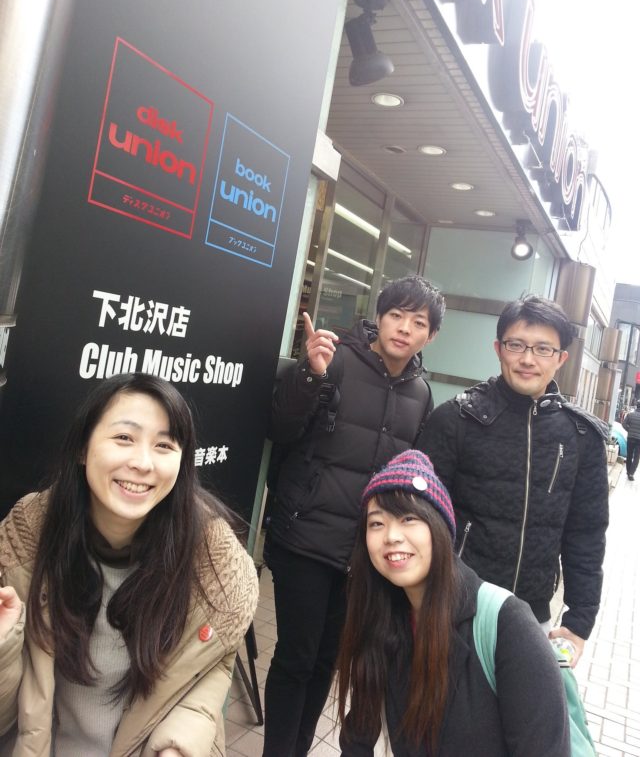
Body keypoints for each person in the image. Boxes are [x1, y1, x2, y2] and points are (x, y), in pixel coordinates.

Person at [0, 372, 259, 757]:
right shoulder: (26, 545)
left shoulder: (214, 569)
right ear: (83, 448)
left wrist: (178, 747)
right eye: (124, 437)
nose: (142, 463)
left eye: (164, 445)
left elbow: (206, 679)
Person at [262, 275, 445, 757]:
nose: (404, 328)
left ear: (430, 335)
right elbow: (280, 427)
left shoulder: (421, 394)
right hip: (305, 536)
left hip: (364, 553)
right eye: (396, 315)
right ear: (378, 318)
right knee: (296, 657)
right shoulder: (338, 359)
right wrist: (310, 374)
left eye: (418, 322)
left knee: (327, 660)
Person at [336, 449, 571, 757]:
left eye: (409, 518)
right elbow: (358, 737)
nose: (391, 536)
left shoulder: (508, 626)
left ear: (440, 528)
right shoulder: (381, 616)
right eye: (376, 523)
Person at [420, 294, 609, 667]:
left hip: (531, 614)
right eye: (516, 345)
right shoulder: (456, 419)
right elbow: (419, 516)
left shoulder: (580, 437)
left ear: (561, 358)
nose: (528, 359)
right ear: (498, 349)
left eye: (543, 349)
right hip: (453, 605)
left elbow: (586, 533)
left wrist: (579, 621)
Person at [622, 400, 640, 480]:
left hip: (630, 438)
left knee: (629, 455)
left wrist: (629, 430)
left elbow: (624, 424)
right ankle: (631, 473)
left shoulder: (630, 415)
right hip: (639, 440)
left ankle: (628, 471)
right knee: (636, 457)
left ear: (637, 406)